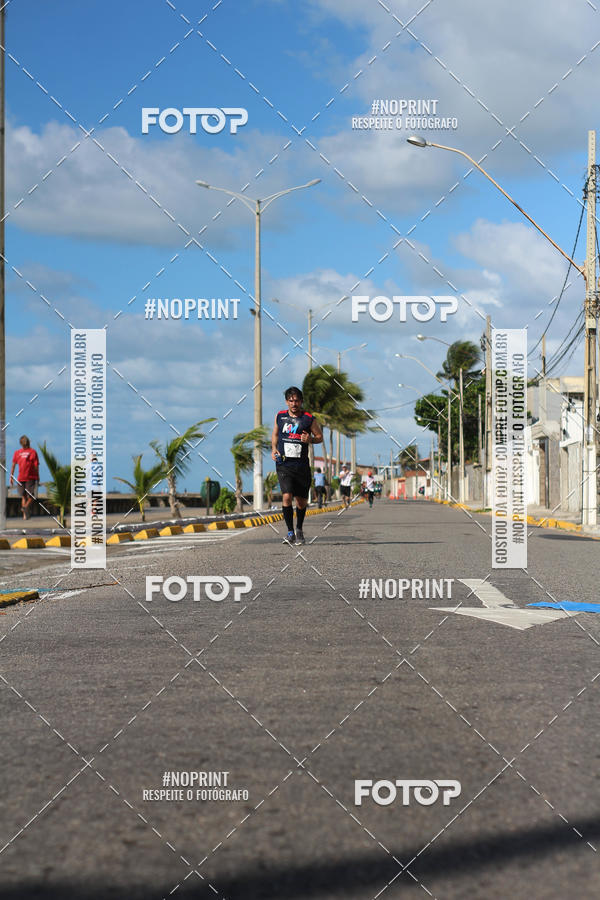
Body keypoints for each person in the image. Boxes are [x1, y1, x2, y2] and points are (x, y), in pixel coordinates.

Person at [272, 387, 323, 545]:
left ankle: (299, 529)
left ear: (301, 401)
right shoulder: (280, 416)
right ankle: (290, 532)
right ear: (287, 401)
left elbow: (319, 437)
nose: (294, 403)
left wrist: (310, 440)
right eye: (291, 400)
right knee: (287, 496)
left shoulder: (308, 419)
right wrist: (274, 449)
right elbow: (275, 434)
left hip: (301, 466)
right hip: (284, 464)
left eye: (297, 401)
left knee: (301, 501)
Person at [10, 435, 39, 520]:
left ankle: (25, 515)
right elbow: (36, 466)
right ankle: (25, 507)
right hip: (30, 477)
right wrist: (38, 476)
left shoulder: (17, 452)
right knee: (31, 496)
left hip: (21, 477)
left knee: (24, 496)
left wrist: (11, 477)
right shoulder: (33, 452)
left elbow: (13, 466)